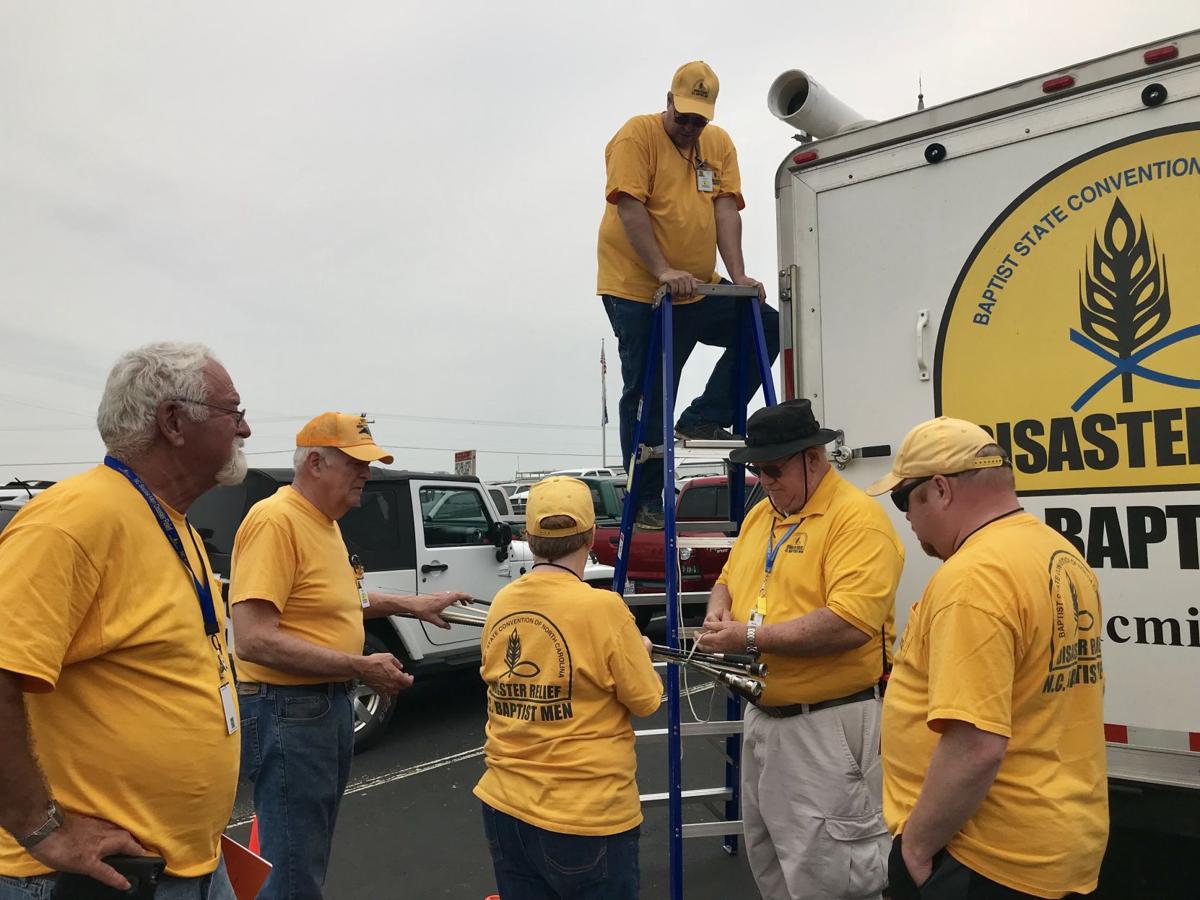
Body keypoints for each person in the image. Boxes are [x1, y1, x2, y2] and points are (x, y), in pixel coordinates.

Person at [0, 342, 251, 899]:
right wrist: (41, 831)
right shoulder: (73, 521)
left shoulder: (169, 518)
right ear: (173, 422)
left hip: (185, 864)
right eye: (233, 411)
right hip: (94, 879)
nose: (246, 428)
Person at [229, 412, 470, 900]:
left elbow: (340, 598)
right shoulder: (276, 521)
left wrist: (412, 603)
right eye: (357, 464)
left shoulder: (324, 523)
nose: (368, 474)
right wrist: (361, 667)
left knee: (305, 852)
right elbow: (252, 638)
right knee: (294, 866)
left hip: (318, 708)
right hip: (289, 710)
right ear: (314, 463)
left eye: (370, 463)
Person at [865, 417, 1108, 900]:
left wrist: (914, 848)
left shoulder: (973, 578)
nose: (907, 520)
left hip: (988, 857)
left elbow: (976, 746)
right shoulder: (1057, 553)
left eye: (904, 500)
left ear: (939, 489)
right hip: (1056, 839)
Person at [696, 399, 902, 900]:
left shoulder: (857, 520)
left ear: (813, 458)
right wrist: (718, 609)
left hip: (827, 723)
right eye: (755, 469)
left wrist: (747, 637)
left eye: (773, 468)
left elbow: (850, 624)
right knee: (772, 863)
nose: (764, 481)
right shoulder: (762, 515)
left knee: (836, 876)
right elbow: (727, 579)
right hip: (765, 716)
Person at [597, 60, 780, 528]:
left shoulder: (716, 144)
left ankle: (705, 415)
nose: (691, 128)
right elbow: (630, 208)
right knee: (650, 387)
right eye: (684, 118)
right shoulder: (636, 137)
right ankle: (646, 497)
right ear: (668, 103)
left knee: (765, 324)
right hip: (640, 290)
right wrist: (662, 269)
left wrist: (737, 275)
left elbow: (724, 210)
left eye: (700, 120)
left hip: (696, 287)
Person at [474, 476, 662, 899]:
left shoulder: (503, 601)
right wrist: (639, 652)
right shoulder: (604, 609)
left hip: (505, 805)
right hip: (585, 816)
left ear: (528, 536)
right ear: (592, 535)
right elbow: (646, 700)